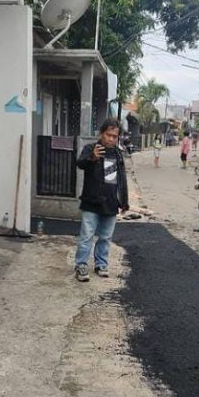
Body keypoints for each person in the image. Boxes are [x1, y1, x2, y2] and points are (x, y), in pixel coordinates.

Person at [74, 118, 130, 282]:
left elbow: (121, 179)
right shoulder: (90, 149)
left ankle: (101, 264)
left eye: (115, 136)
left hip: (111, 203)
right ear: (101, 134)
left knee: (105, 237)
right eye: (108, 135)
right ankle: (81, 265)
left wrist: (124, 201)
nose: (111, 139)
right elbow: (80, 164)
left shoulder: (118, 154)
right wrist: (92, 157)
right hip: (91, 202)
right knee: (86, 236)